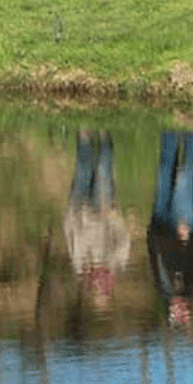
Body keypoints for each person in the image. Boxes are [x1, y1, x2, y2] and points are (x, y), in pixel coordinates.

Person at [147, 130, 193, 327]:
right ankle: (192, 131)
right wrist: (189, 239)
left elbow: (154, 255)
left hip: (159, 222)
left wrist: (150, 232)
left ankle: (170, 129)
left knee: (165, 169)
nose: (180, 308)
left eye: (176, 312)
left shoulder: (162, 288)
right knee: (185, 176)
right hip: (184, 225)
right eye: (184, 313)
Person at [64, 129, 129, 309]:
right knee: (102, 166)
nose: (99, 287)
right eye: (103, 292)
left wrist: (70, 213)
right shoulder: (116, 263)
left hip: (79, 205)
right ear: (109, 289)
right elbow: (123, 238)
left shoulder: (80, 266)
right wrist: (115, 215)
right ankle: (104, 133)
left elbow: (70, 235)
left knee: (83, 166)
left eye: (97, 292)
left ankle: (85, 133)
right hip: (103, 208)